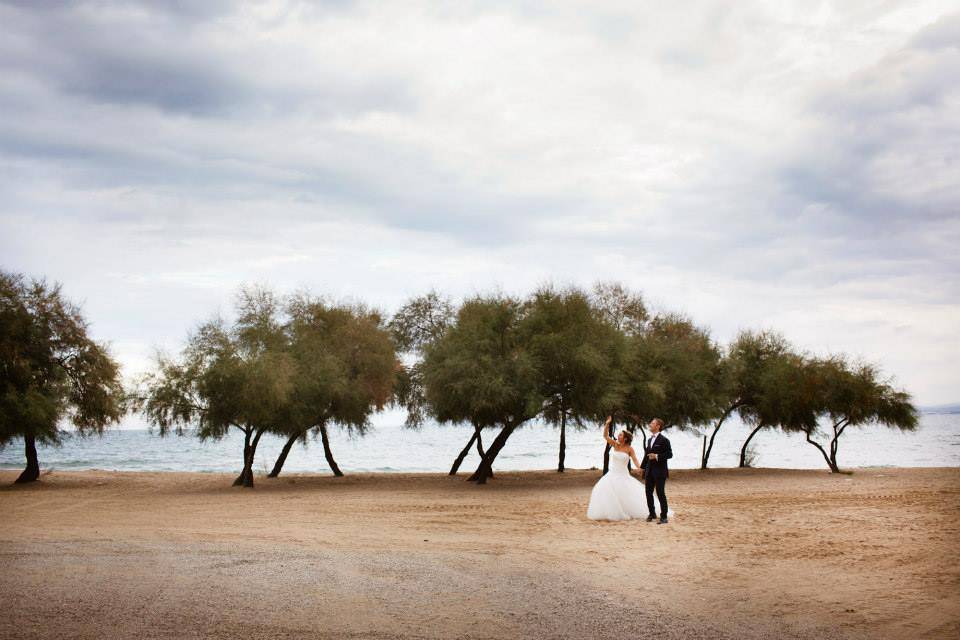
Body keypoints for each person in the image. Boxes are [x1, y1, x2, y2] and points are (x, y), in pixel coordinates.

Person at [586, 416, 648, 521]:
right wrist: (607, 424)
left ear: (625, 438)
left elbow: (635, 460)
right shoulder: (615, 445)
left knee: (625, 494)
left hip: (623, 474)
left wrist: (640, 468)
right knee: (604, 490)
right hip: (612, 473)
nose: (618, 436)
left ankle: (627, 511)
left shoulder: (629, 449)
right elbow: (605, 436)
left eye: (620, 435)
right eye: (619, 434)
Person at [640, 417, 672, 524]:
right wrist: (642, 467)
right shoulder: (649, 440)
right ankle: (652, 513)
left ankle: (663, 517)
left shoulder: (664, 440)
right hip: (649, 471)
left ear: (658, 426)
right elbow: (647, 455)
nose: (650, 424)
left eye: (652, 423)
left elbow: (669, 454)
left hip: (660, 471)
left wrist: (657, 456)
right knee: (648, 492)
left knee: (660, 493)